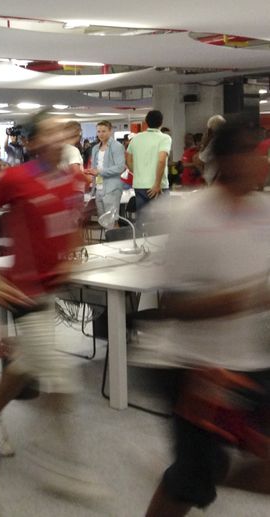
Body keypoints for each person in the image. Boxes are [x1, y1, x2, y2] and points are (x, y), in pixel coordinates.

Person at [0, 113, 100, 501]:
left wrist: (71, 253)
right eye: (50, 130)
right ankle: (65, 469)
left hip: (49, 289)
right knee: (61, 381)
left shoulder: (70, 181)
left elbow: (71, 221)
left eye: (64, 130)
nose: (60, 136)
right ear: (32, 142)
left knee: (24, 366)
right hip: (23, 291)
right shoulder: (15, 179)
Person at [145, 121, 270, 517]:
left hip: (250, 360)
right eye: (256, 153)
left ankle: (211, 470)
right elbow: (173, 306)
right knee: (188, 483)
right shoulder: (186, 214)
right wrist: (249, 297)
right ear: (230, 160)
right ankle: (205, 472)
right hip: (192, 365)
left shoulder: (265, 210)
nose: (264, 162)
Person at [126, 110, 172, 217]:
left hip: (140, 185)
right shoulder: (165, 138)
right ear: (161, 122)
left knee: (142, 221)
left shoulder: (135, 139)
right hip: (159, 186)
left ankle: (141, 234)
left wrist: (138, 172)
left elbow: (128, 160)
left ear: (146, 122)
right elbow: (161, 160)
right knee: (161, 222)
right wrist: (157, 184)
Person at [87, 120, 127, 220]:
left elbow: (120, 167)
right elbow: (95, 168)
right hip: (98, 188)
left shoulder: (117, 146)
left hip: (111, 189)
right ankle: (108, 236)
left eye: (104, 131)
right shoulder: (95, 148)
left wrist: (100, 171)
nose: (101, 134)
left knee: (112, 221)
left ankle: (115, 235)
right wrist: (91, 172)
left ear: (110, 131)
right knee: (103, 221)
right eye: (99, 131)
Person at [195, 114, 226, 185]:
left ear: (210, 130)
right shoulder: (229, 140)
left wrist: (204, 143)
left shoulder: (215, 143)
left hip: (216, 182)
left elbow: (199, 161)